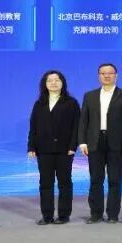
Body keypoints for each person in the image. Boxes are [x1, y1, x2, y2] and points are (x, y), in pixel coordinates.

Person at [78, 63, 122, 224]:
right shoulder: (90, 96)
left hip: (117, 143)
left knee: (115, 180)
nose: (106, 76)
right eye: (103, 73)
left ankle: (113, 214)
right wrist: (82, 142)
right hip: (95, 141)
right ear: (98, 76)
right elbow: (83, 120)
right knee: (96, 179)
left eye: (110, 73)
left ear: (116, 76)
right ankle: (96, 214)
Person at [28, 70, 80, 225]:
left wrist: (73, 146)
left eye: (57, 80)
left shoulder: (71, 103)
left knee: (64, 183)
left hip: (65, 149)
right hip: (43, 149)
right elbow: (33, 127)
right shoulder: (39, 104)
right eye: (50, 80)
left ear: (63, 83)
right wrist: (31, 147)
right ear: (45, 84)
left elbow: (76, 127)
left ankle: (64, 215)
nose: (53, 83)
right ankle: (47, 215)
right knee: (45, 183)